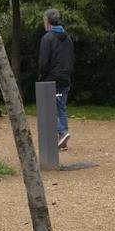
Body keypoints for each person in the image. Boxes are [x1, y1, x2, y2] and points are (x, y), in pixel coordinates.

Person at [38, 8, 74, 149]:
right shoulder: (68, 37)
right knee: (61, 108)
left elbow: (44, 61)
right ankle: (62, 140)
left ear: (47, 22)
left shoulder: (47, 38)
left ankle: (62, 132)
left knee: (48, 109)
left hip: (51, 79)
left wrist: (42, 75)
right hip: (65, 78)